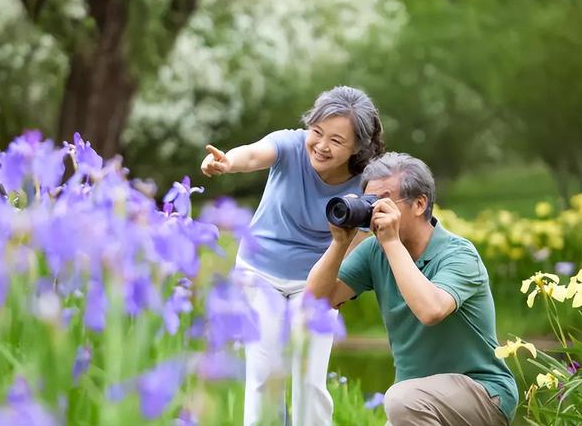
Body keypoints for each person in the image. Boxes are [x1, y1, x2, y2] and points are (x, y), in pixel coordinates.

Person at [200, 86, 384, 426]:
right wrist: (227, 163)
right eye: (317, 132)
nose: (321, 145)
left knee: (310, 378)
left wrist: (337, 292)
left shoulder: (366, 184)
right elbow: (254, 155)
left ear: (358, 146)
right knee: (264, 371)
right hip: (259, 272)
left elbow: (355, 254)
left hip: (315, 283)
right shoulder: (291, 145)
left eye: (336, 140)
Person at [305, 152, 519, 426]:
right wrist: (339, 243)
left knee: (401, 399)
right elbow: (315, 301)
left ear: (419, 204)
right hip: (416, 401)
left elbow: (431, 311)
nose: (374, 210)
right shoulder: (374, 251)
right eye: (369, 202)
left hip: (484, 394)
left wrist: (392, 243)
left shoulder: (459, 254)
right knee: (404, 400)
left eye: (383, 200)